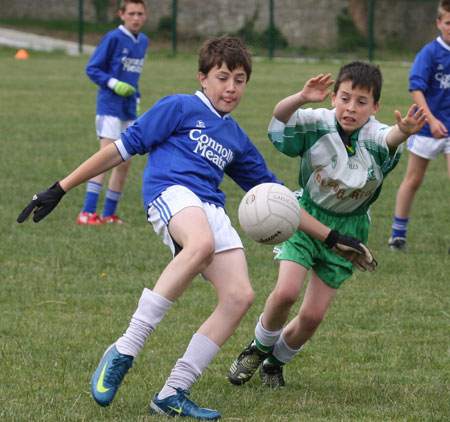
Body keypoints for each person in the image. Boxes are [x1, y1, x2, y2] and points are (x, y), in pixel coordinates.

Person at [17, 37, 376, 420]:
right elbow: (121, 148)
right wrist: (61, 187)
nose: (231, 88)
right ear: (203, 78)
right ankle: (125, 348)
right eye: (223, 77)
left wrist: (334, 237)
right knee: (201, 244)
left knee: (240, 295)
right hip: (170, 193)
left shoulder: (235, 137)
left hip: (209, 207)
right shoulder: (180, 106)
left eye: (240, 80)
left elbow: (279, 200)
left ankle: (173, 391)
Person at [227, 61, 427, 390]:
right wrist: (301, 97)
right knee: (287, 292)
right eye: (345, 98)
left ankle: (275, 363)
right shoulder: (317, 123)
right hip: (306, 216)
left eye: (362, 102)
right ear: (333, 97)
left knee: (313, 316)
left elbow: (389, 139)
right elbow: (279, 119)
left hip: (350, 229)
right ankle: (257, 349)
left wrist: (403, 131)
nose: (351, 108)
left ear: (375, 107)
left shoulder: (376, 135)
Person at [77, 0, 149, 226]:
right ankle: (87, 212)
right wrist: (113, 83)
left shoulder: (143, 41)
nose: (135, 17)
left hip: (128, 108)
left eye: (139, 13)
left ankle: (109, 214)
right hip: (109, 106)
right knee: (105, 157)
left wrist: (135, 97)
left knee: (124, 162)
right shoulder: (113, 38)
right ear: (121, 14)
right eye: (131, 13)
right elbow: (92, 68)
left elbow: (133, 76)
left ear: (145, 15)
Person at [388, 0, 450, 252]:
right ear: (439, 23)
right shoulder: (430, 53)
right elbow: (416, 89)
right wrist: (432, 120)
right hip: (426, 127)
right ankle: (397, 236)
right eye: (448, 23)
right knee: (413, 179)